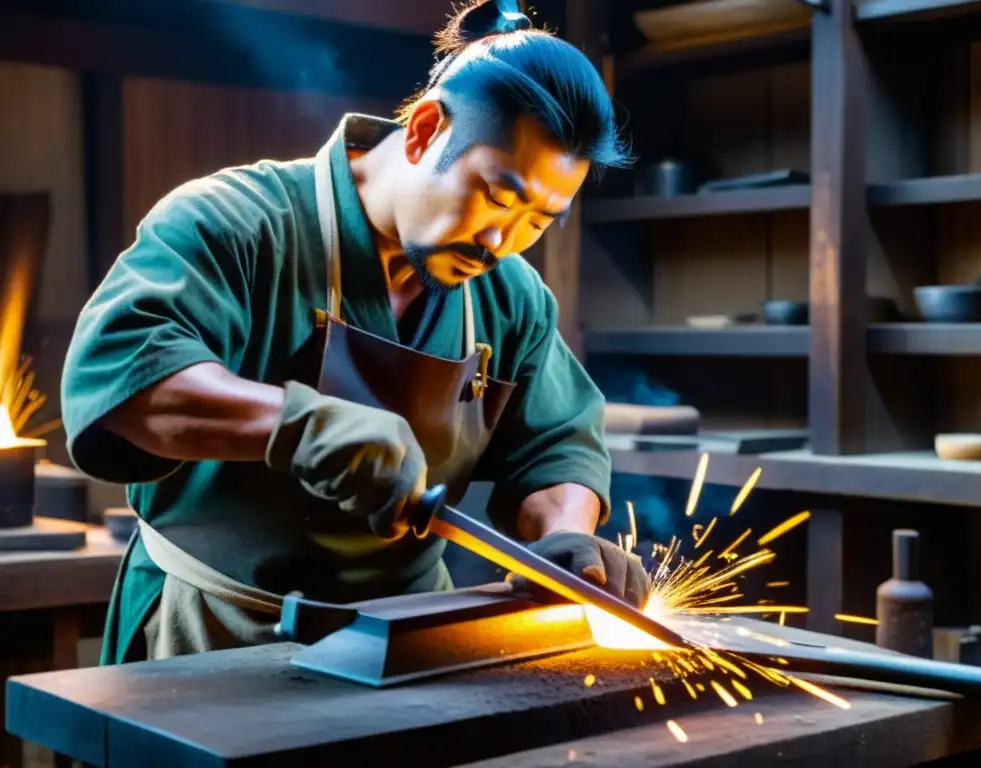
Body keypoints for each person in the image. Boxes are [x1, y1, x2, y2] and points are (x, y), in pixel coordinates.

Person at [61, 0, 649, 665]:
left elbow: (556, 444)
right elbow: (123, 374)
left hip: (411, 640)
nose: (499, 239)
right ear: (426, 130)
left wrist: (565, 536)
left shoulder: (512, 297)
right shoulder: (237, 223)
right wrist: (301, 425)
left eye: (539, 219)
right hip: (215, 627)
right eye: (496, 193)